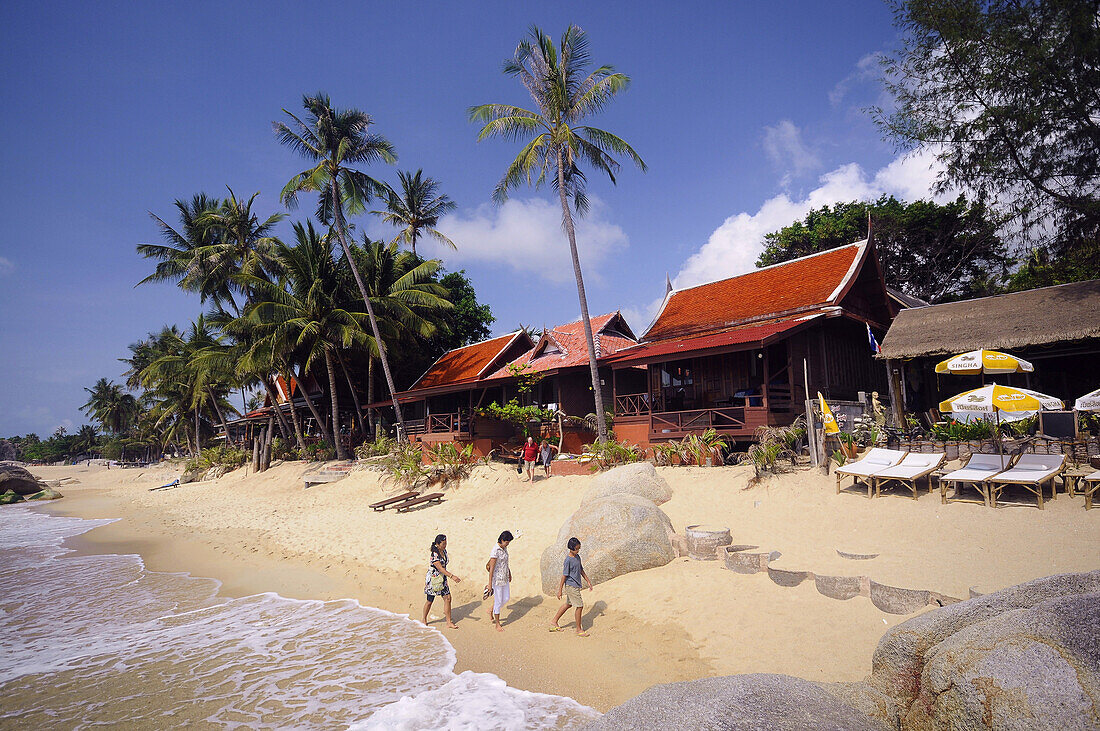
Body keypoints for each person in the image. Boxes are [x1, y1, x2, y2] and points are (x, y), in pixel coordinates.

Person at [549, 536, 593, 636]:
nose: (578, 550)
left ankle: (554, 621)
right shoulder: (568, 560)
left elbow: (581, 570)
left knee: (568, 604)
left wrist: (588, 581)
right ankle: (578, 629)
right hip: (570, 586)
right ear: (571, 548)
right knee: (580, 606)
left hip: (576, 585)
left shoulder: (577, 557)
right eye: (576, 549)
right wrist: (560, 590)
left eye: (579, 548)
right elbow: (564, 576)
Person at [422, 534, 462, 629]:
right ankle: (424, 619)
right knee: (429, 601)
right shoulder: (434, 555)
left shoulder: (444, 551)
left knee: (448, 598)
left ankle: (449, 622)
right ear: (437, 544)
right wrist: (452, 576)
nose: (445, 545)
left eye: (446, 543)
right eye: (443, 544)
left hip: (443, 579)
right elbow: (440, 569)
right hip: (434, 580)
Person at [485, 530, 514, 632]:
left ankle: (491, 609)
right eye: (507, 542)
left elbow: (505, 562)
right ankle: (497, 624)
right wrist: (489, 584)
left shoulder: (504, 548)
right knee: (498, 601)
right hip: (496, 579)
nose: (508, 544)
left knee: (506, 598)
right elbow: (491, 568)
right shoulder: (495, 550)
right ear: (502, 540)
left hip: (504, 577)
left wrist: (509, 573)